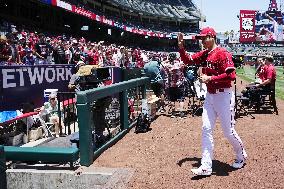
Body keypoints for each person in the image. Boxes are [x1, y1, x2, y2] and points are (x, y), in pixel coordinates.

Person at [178, 27, 247, 176]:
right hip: (210, 96)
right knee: (206, 128)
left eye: (204, 38)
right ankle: (206, 166)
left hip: (224, 96)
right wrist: (181, 47)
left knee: (228, 132)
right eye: (201, 39)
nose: (202, 41)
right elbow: (188, 60)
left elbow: (232, 75)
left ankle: (241, 156)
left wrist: (211, 78)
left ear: (212, 37)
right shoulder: (205, 54)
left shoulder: (222, 53)